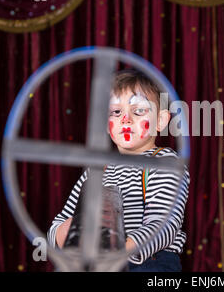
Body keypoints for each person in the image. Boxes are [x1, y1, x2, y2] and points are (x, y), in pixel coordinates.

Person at [47, 69, 190, 272]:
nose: (126, 119)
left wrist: (117, 252)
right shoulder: (96, 170)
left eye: (139, 110)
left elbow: (163, 226)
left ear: (160, 121)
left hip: (149, 262)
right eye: (116, 112)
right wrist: (74, 230)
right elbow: (57, 227)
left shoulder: (165, 162)